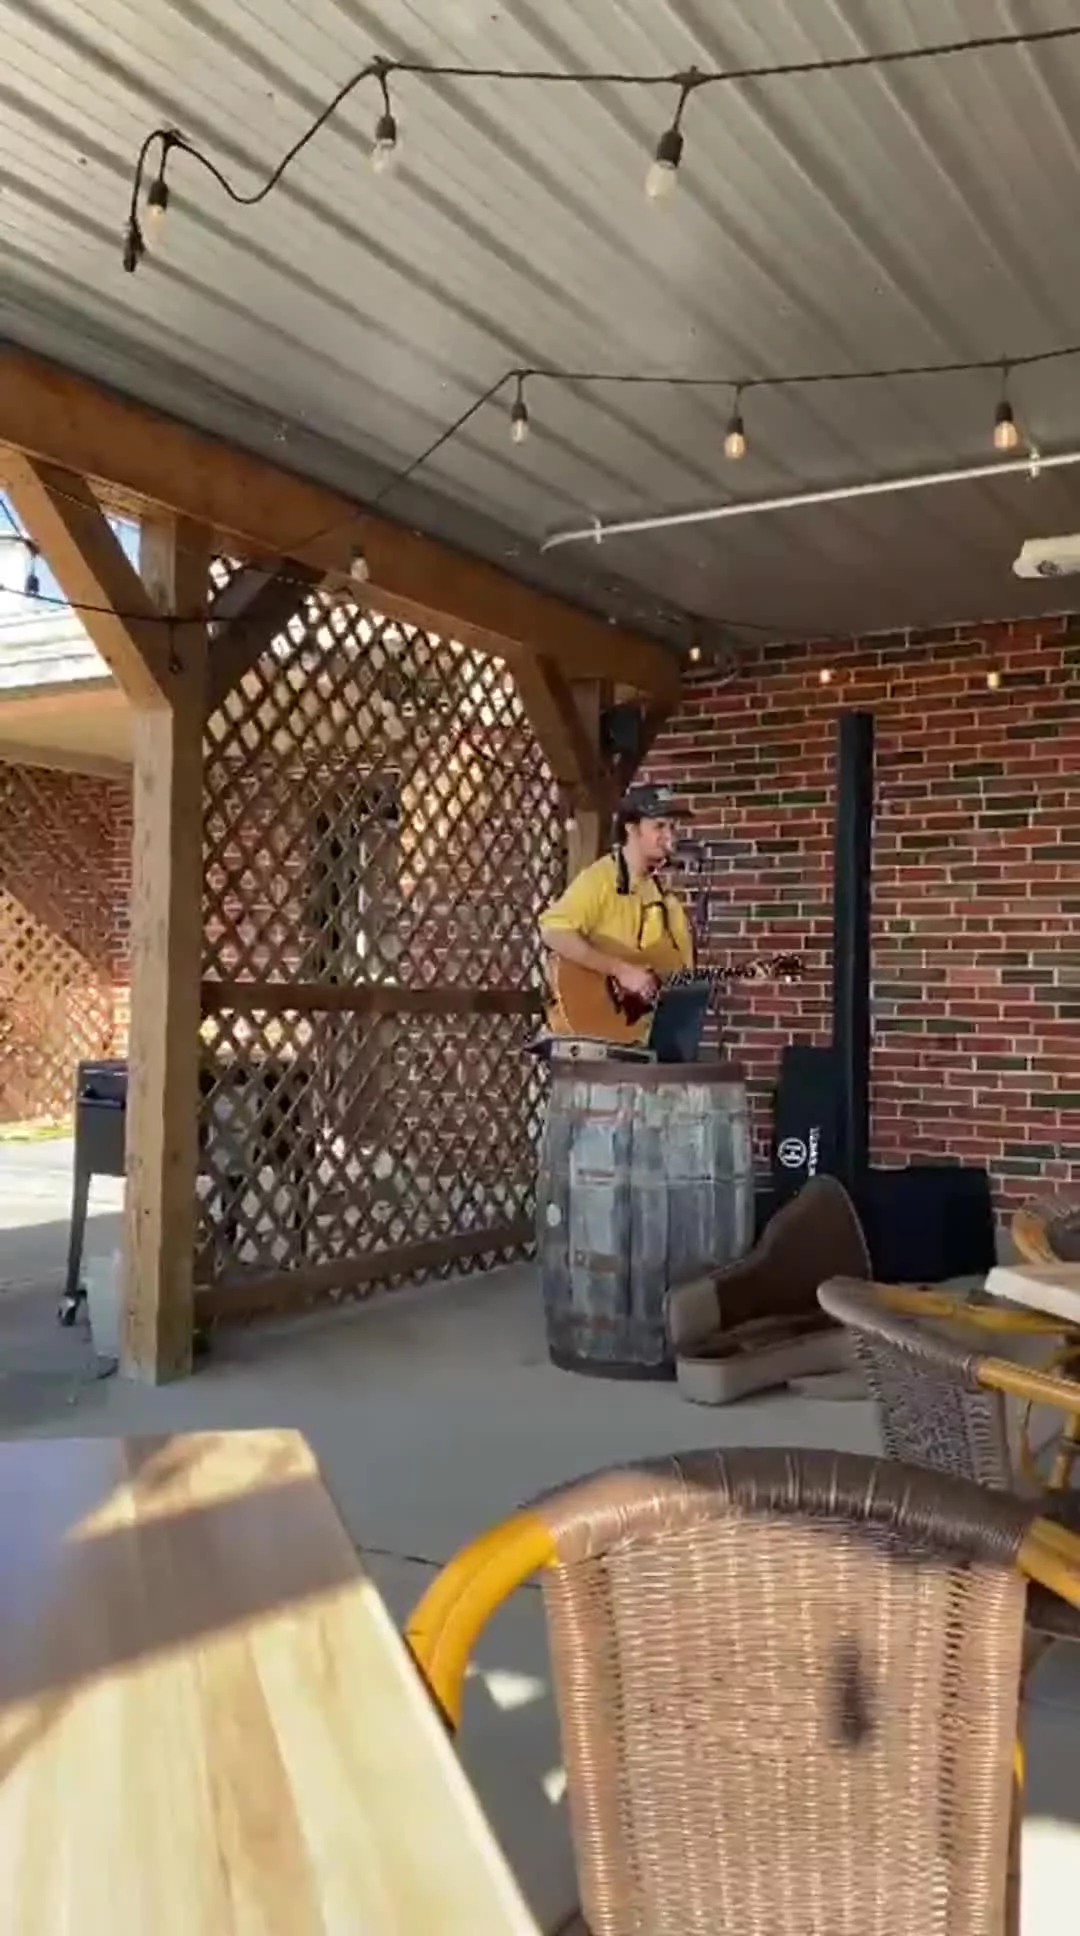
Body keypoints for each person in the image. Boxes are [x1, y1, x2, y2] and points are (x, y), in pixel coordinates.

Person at [539, 783, 694, 1040]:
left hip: (638, 1037)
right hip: (585, 1038)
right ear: (631, 828)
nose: (670, 836)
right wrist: (620, 970)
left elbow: (683, 977)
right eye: (659, 826)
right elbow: (553, 931)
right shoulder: (600, 879)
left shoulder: (668, 904)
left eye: (672, 827)